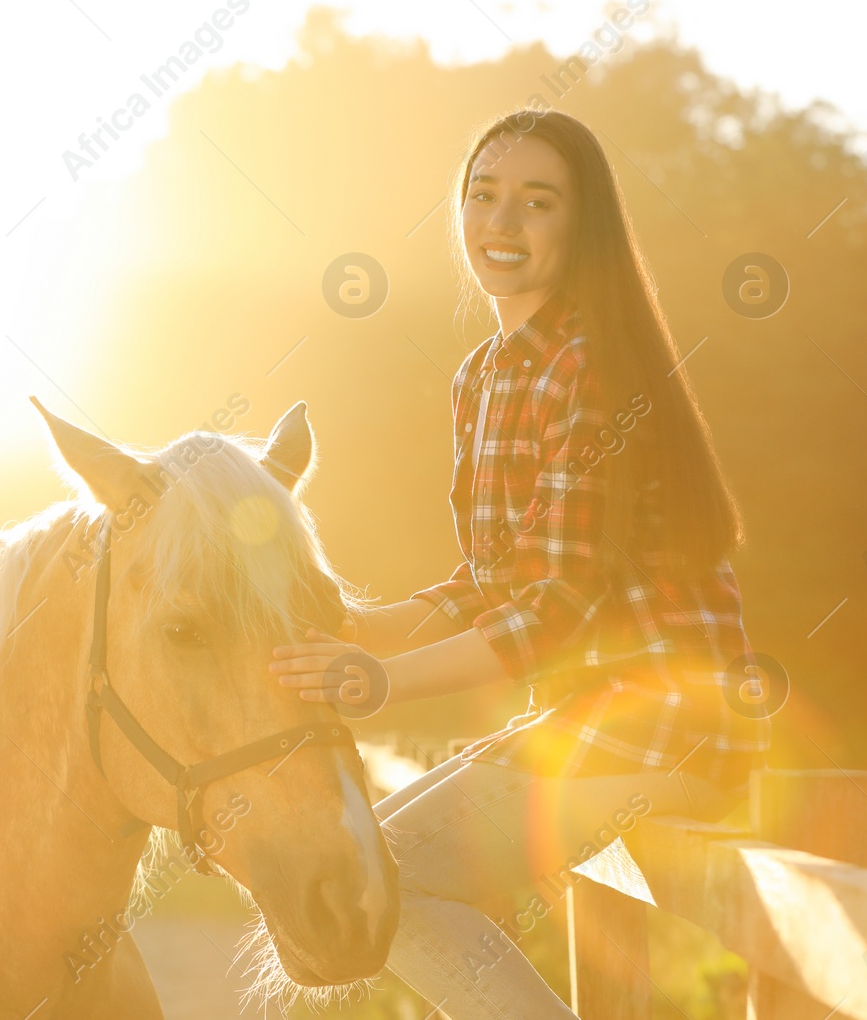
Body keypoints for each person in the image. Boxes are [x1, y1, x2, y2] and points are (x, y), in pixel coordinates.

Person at [269, 109, 770, 1017]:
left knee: (387, 876)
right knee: (378, 857)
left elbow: (551, 615)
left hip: (664, 726)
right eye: (482, 196)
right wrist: (344, 628)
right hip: (586, 722)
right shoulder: (485, 374)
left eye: (537, 203)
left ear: (582, 226)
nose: (501, 224)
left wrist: (373, 680)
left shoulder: (593, 367)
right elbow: (487, 586)